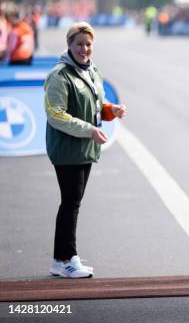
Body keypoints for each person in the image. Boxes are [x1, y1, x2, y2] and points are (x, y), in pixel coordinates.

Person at [45, 22, 127, 278]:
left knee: (72, 203)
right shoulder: (60, 75)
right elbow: (56, 115)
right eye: (79, 44)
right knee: (70, 203)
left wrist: (109, 110)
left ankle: (62, 260)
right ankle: (67, 259)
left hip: (83, 147)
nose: (84, 49)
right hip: (67, 148)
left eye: (88, 44)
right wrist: (90, 130)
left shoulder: (92, 71)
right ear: (69, 44)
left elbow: (94, 102)